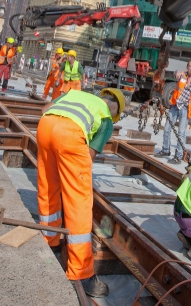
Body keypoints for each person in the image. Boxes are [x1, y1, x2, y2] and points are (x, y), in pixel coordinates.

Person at [37, 87, 125, 298]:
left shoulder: (75, 94)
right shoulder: (106, 117)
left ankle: (50, 242)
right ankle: (81, 272)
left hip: (45, 126)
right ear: (114, 109)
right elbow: (89, 156)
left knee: (49, 186)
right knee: (79, 202)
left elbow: (45, 109)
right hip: (70, 135)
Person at [156, 60, 191, 165]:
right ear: (187, 67)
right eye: (190, 66)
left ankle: (178, 156)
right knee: (167, 128)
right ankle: (165, 150)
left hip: (186, 108)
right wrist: (176, 72)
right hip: (175, 105)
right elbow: (176, 73)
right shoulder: (182, 75)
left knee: (181, 133)